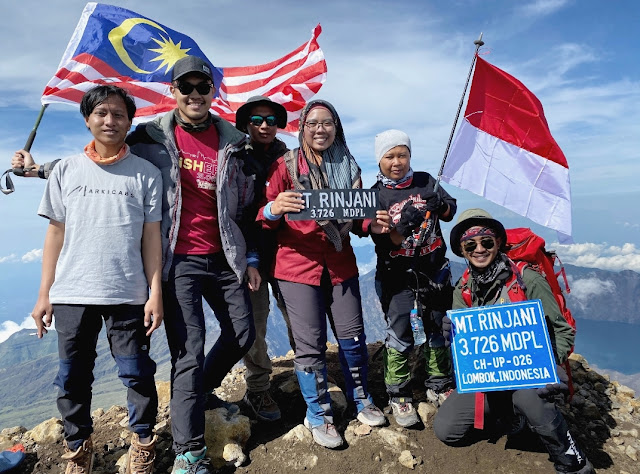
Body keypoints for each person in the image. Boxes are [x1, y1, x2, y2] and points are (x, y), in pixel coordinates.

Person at [14, 56, 259, 474]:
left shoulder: (236, 142)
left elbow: (251, 201)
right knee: (186, 350)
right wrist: (37, 169)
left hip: (221, 258)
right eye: (187, 87)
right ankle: (187, 447)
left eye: (203, 87)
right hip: (176, 259)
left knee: (241, 333)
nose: (195, 94)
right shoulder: (152, 135)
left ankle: (193, 393)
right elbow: (99, 160)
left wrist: (251, 256)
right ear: (174, 92)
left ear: (212, 92)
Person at [30, 85, 163, 474]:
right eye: (101, 113)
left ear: (129, 121)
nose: (110, 120)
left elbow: (151, 237)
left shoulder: (146, 173)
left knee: (137, 372)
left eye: (119, 114)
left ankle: (142, 441)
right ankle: (78, 446)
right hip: (72, 291)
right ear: (87, 119)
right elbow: (55, 233)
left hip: (128, 292)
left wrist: (155, 293)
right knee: (71, 376)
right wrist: (44, 294)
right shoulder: (67, 170)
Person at [257, 99, 388, 449]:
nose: (320, 129)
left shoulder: (348, 166)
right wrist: (273, 208)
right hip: (296, 266)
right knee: (309, 344)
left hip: (340, 263)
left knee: (352, 336)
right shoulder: (284, 166)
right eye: (313, 123)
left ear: (336, 127)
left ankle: (361, 398)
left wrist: (371, 224)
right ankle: (319, 413)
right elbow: (262, 218)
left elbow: (357, 216)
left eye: (327, 122)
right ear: (302, 128)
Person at [433, 208, 594, 474]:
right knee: (447, 430)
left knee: (532, 400)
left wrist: (549, 364)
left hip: (530, 375)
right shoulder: (463, 291)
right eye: (470, 244)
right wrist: (453, 335)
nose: (479, 249)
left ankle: (571, 460)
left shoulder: (527, 279)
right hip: (490, 378)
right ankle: (513, 419)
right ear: (462, 250)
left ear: (498, 242)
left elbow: (563, 330)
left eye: (486, 242)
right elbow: (468, 351)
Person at [370, 129, 456, 427]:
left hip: (434, 270)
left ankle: (440, 383)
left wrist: (439, 204)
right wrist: (404, 225)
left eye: (402, 154)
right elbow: (385, 242)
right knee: (401, 332)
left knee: (437, 327)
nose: (397, 162)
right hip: (398, 276)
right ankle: (399, 394)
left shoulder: (426, 181)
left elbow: (449, 212)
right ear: (379, 160)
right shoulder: (375, 195)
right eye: (389, 156)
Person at [233, 95, 294, 422]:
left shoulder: (291, 159)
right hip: (246, 254)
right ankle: (258, 387)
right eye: (257, 120)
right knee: (255, 323)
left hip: (287, 250)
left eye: (271, 120)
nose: (265, 125)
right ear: (246, 124)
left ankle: (308, 373)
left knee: (297, 316)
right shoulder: (233, 158)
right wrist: (250, 258)